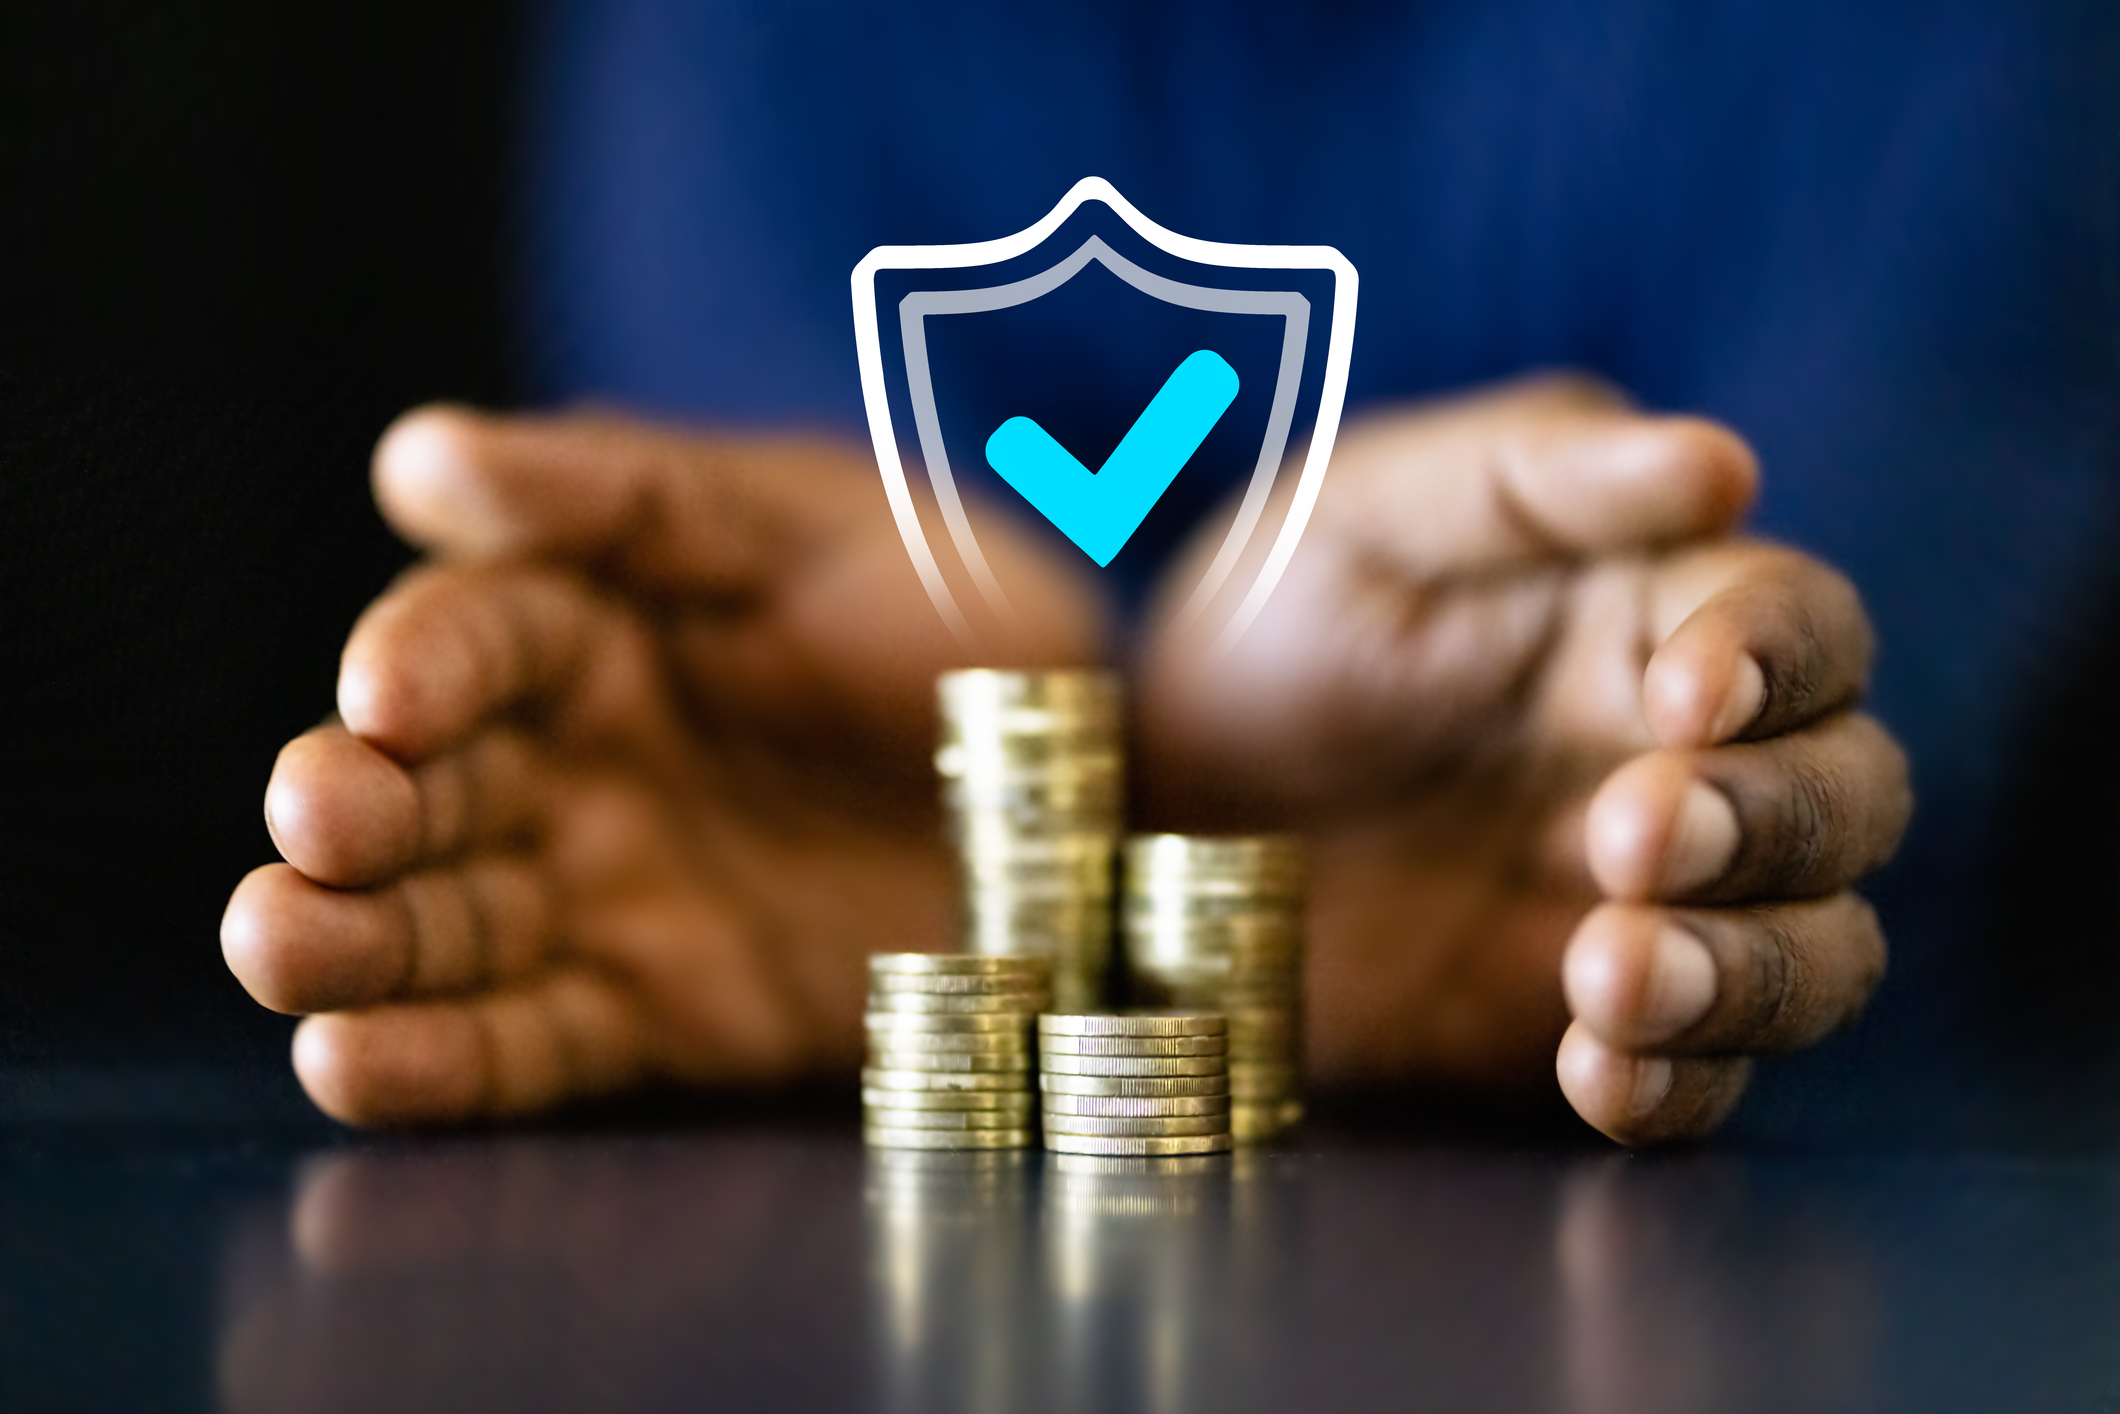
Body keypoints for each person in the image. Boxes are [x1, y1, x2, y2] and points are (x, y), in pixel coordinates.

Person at [221, 0, 2112, 1143]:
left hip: (1812, 1179)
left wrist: (1664, 732)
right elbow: (784, 538)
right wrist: (1006, 747)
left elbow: (1851, 664)